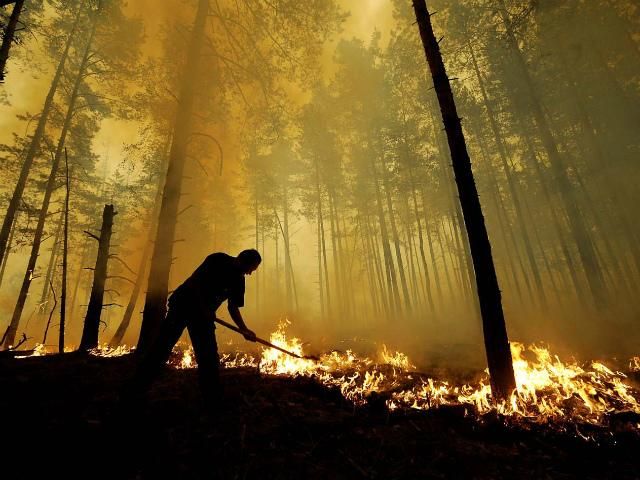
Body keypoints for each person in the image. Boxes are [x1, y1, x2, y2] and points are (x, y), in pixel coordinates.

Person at [133, 249, 261, 405]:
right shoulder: (217, 260)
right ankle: (135, 390)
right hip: (182, 307)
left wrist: (244, 329)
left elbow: (233, 307)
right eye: (250, 268)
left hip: (202, 318)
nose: (250, 273)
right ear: (242, 260)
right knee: (161, 349)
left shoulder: (239, 281)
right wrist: (203, 308)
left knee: (209, 358)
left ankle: (212, 399)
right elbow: (195, 283)